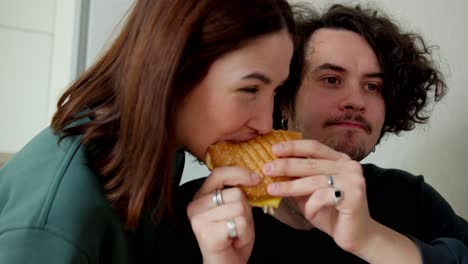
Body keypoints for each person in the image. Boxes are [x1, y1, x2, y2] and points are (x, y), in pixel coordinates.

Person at [0, 0, 296, 263]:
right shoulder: (56, 222)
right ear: (177, 68)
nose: (265, 124)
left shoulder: (161, 155)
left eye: (275, 91)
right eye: (250, 89)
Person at [176, 3, 468, 264]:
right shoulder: (202, 212)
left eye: (372, 86)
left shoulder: (409, 198)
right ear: (284, 99)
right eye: (331, 79)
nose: (356, 100)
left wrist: (371, 240)